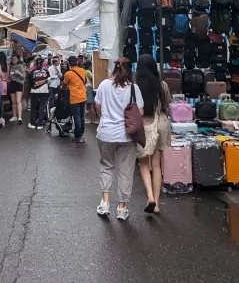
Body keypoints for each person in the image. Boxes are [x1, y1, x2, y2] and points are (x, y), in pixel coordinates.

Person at [94, 57, 143, 221]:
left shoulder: (104, 84)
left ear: (114, 69)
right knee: (126, 171)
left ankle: (105, 203)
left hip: (106, 133)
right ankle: (122, 208)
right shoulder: (134, 89)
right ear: (130, 70)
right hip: (126, 135)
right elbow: (140, 112)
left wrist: (105, 118)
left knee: (106, 166)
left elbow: (97, 105)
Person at [135, 55, 171, 215]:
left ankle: (149, 196)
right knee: (156, 165)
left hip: (145, 124)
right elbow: (167, 105)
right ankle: (156, 203)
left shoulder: (136, 87)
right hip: (161, 122)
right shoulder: (162, 85)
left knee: (144, 164)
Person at [62, 55, 88, 143]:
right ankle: (81, 134)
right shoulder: (83, 71)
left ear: (69, 63)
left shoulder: (68, 74)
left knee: (76, 117)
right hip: (83, 97)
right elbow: (85, 81)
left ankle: (78, 136)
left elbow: (64, 85)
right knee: (82, 117)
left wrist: (64, 88)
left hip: (74, 98)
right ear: (77, 62)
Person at [27, 58, 50, 129]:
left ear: (35, 63)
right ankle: (40, 124)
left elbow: (30, 81)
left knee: (33, 107)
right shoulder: (46, 70)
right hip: (44, 91)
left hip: (34, 91)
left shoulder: (32, 71)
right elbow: (49, 81)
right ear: (43, 63)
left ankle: (33, 123)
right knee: (41, 107)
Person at [8, 54, 27, 123]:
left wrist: (18, 73)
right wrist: (10, 77)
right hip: (12, 83)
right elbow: (8, 77)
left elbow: (23, 77)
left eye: (15, 59)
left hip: (19, 84)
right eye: (13, 59)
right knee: (13, 101)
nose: (14, 60)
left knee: (18, 101)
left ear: (18, 59)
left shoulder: (20, 66)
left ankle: (19, 117)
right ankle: (14, 116)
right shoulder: (10, 67)